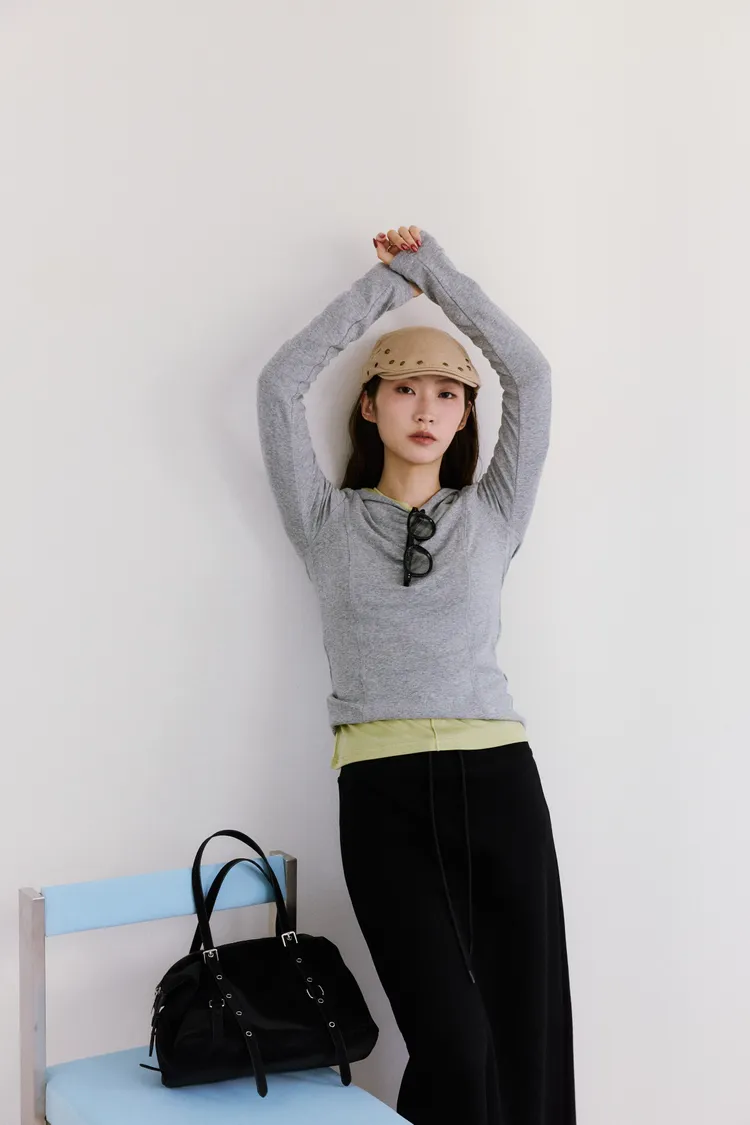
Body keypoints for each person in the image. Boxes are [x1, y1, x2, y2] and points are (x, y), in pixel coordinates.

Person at [256, 223, 576, 1125]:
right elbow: (278, 386)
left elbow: (532, 377)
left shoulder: (494, 512)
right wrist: (389, 287)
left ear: (466, 415)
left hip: (499, 782)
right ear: (370, 405)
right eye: (404, 388)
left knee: (524, 1030)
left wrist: (441, 276)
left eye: (447, 393)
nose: (426, 408)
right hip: (382, 794)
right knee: (454, 1044)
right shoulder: (325, 520)